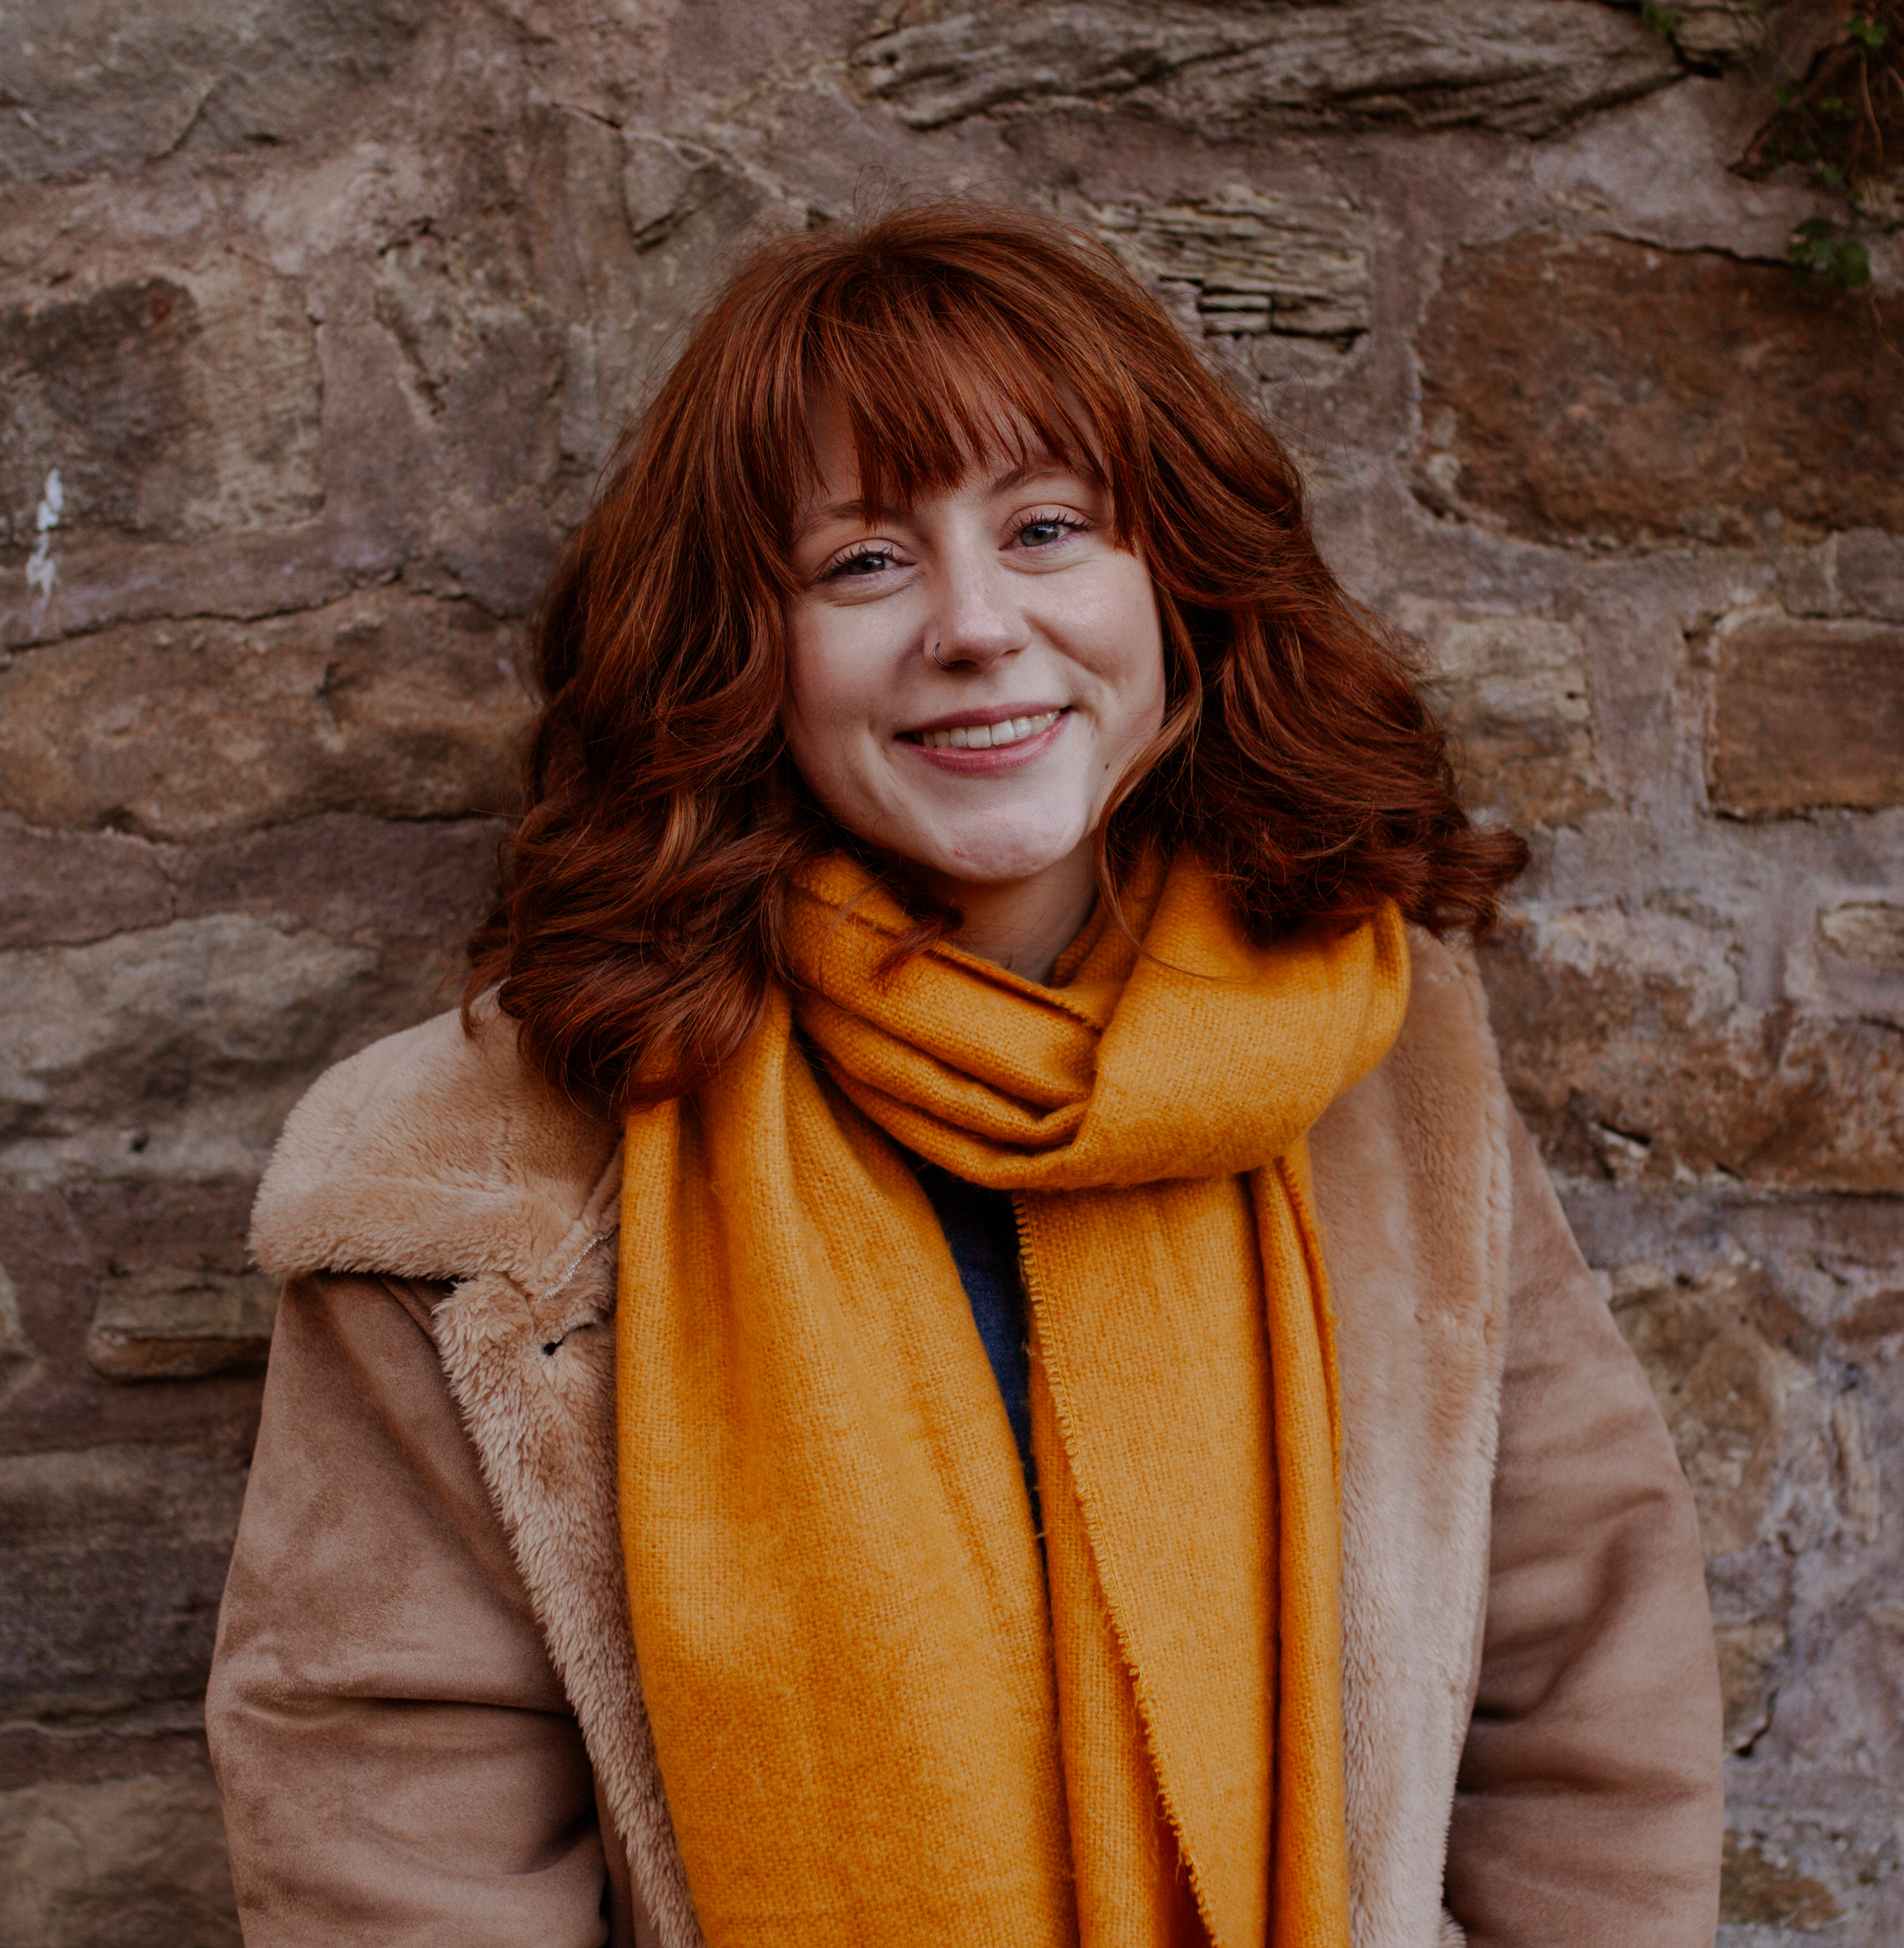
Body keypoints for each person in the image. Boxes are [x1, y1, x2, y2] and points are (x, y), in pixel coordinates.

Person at [206, 204, 1723, 1947]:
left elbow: (1591, 1692)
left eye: (1048, 528)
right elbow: (389, 1823)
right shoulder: (474, 1175)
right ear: (740, 653)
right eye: (863, 562)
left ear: (1179, 583)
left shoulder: (1384, 1067)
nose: (976, 625)